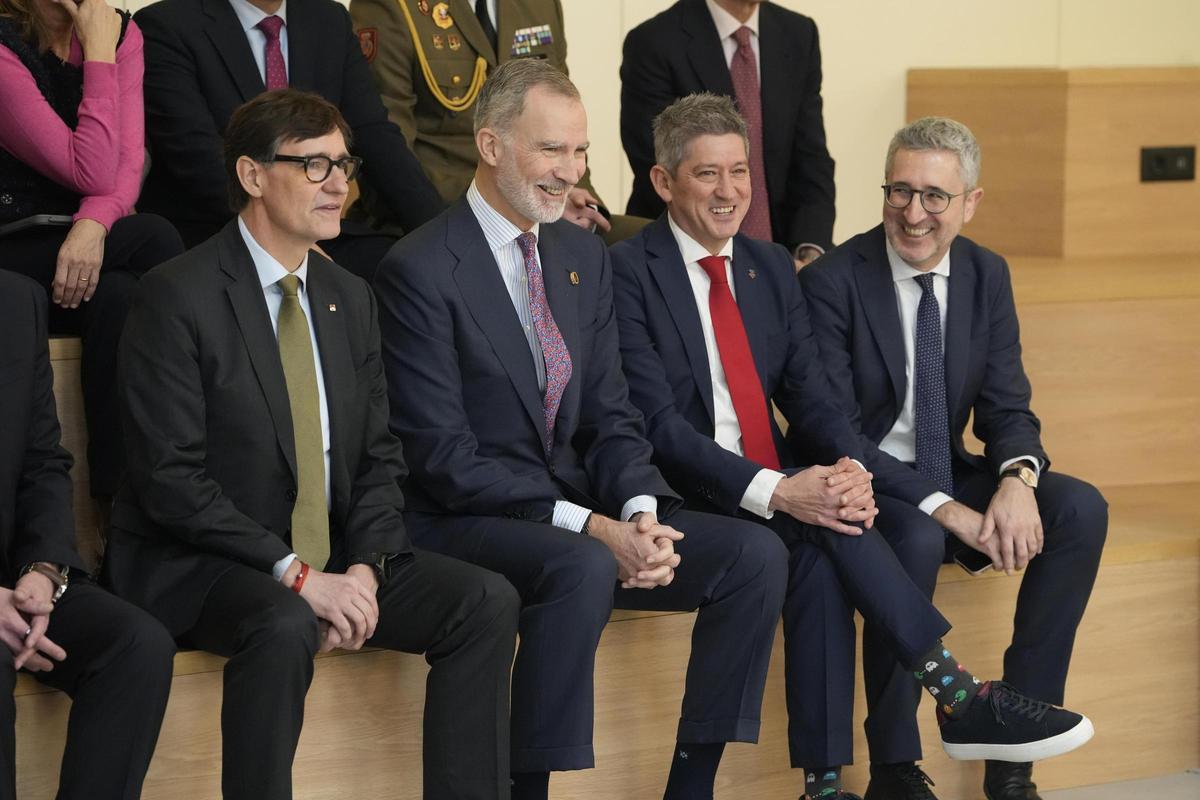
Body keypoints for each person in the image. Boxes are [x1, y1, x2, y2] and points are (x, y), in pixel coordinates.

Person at [610, 94, 1098, 800]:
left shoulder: (769, 265)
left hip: (782, 475)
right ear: (663, 183)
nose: (729, 192)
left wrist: (840, 471)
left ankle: (828, 784)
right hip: (688, 486)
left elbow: (814, 403)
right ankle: (955, 698)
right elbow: (658, 424)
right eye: (707, 175)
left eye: (739, 172)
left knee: (841, 524)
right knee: (832, 535)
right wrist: (786, 487)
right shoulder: (627, 269)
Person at [374, 59, 792, 800]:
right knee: (582, 565)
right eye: (551, 150)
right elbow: (441, 458)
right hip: (461, 517)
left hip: (578, 513)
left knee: (753, 554)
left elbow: (611, 415)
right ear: (492, 145)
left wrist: (639, 511)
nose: (570, 172)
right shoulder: (419, 268)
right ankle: (527, 787)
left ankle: (692, 786)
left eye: (580, 152)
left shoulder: (581, 256)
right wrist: (592, 526)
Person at [104, 89, 519, 800]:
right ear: (252, 175)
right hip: (206, 562)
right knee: (283, 622)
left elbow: (380, 458)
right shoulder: (175, 294)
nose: (341, 185)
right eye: (315, 165)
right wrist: (297, 575)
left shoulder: (348, 295)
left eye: (345, 164)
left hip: (331, 557)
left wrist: (365, 566)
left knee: (484, 600)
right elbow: (170, 480)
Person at [800, 116, 1107, 800]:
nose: (914, 213)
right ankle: (894, 765)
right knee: (910, 531)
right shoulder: (835, 281)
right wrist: (943, 508)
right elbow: (835, 432)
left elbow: (1007, 406)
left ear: (969, 203)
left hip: (950, 466)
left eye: (935, 196)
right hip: (868, 478)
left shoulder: (985, 272)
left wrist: (1017, 478)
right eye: (899, 192)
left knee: (1080, 508)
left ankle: (1012, 755)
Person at [0, 0, 184, 510]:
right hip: (12, 246)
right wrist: (100, 55)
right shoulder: (5, 46)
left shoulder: (123, 33)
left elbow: (128, 164)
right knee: (157, 239)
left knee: (123, 295)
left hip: (86, 250)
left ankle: (115, 506)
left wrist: (94, 224)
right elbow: (93, 171)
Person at [0, 270, 175, 800]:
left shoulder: (13, 300)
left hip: (15, 575)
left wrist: (44, 569)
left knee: (136, 643)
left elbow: (43, 459)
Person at [133, 0, 446, 280]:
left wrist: (446, 235)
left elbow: (376, 136)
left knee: (406, 269)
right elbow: (194, 155)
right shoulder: (167, 24)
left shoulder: (328, 19)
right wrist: (283, 245)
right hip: (216, 229)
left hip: (313, 230)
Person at [348, 0, 645, 241]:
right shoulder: (391, 6)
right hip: (446, 214)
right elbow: (387, 150)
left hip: (543, 204)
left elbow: (562, 116)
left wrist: (577, 195)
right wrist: (498, 207)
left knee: (652, 256)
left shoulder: (541, 5)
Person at [620, 0, 834, 269]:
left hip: (785, 256)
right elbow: (657, 163)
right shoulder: (654, 41)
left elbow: (811, 157)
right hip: (682, 259)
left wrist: (809, 253)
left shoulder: (798, 33)